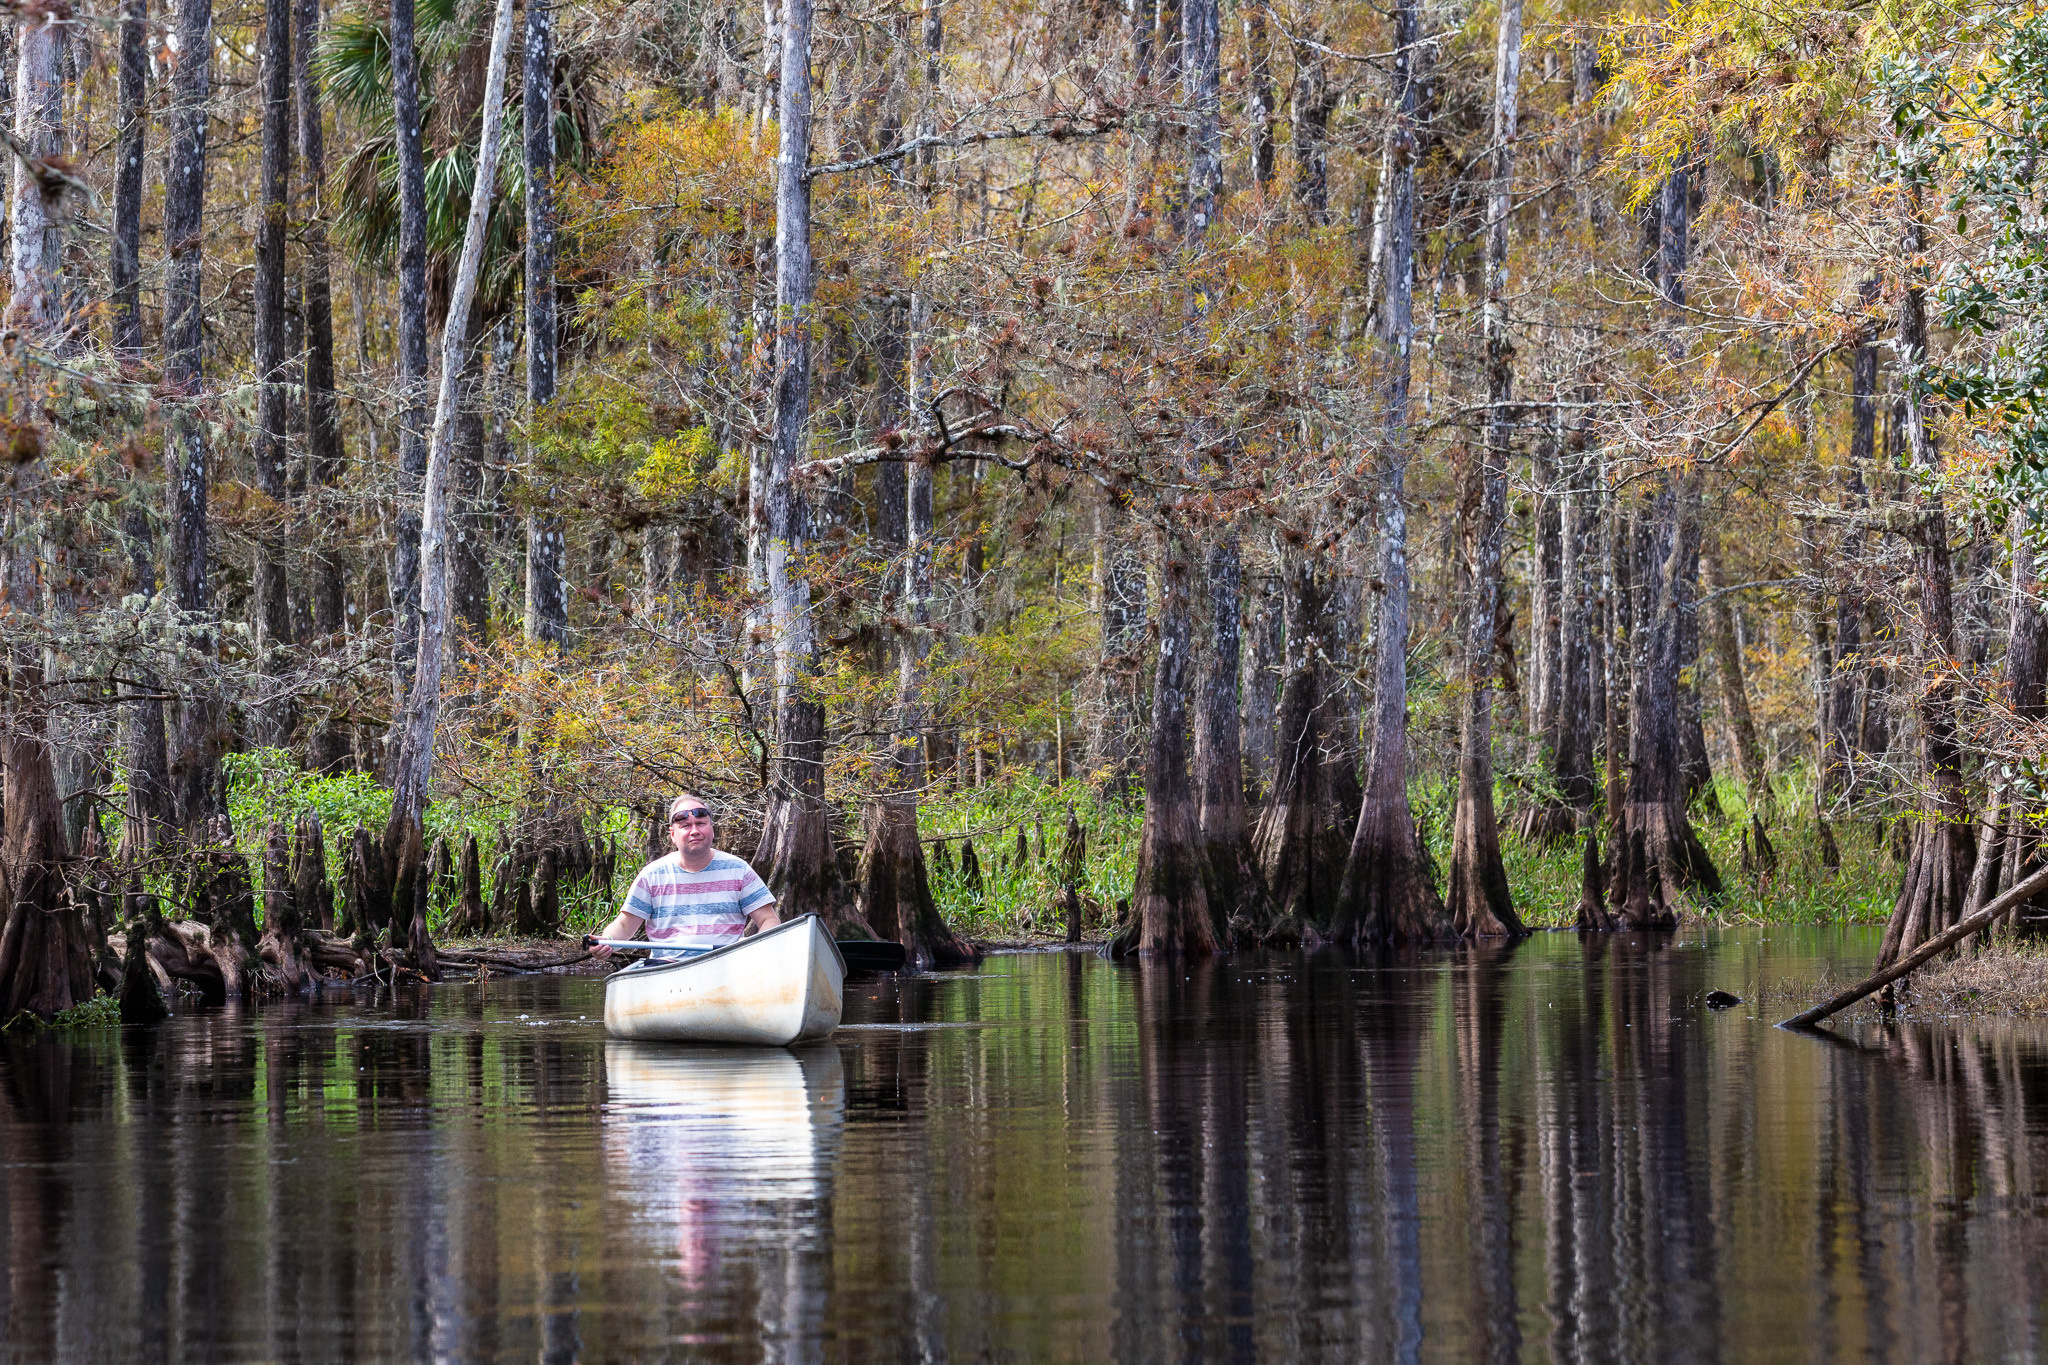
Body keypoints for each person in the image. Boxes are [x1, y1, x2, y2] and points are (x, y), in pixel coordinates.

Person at [592, 794, 779, 958]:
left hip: (726, 966)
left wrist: (755, 953)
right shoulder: (652, 875)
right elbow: (624, 927)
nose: (694, 830)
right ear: (673, 834)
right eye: (685, 825)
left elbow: (769, 920)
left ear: (712, 829)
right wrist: (606, 941)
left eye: (701, 824)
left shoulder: (739, 870)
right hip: (667, 968)